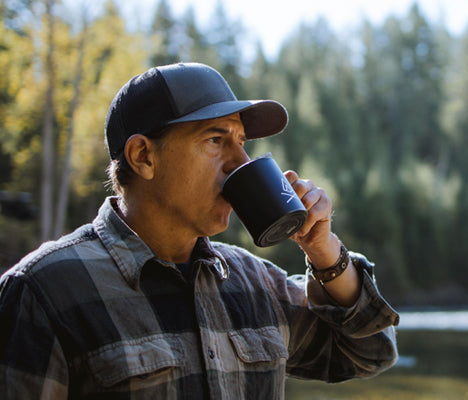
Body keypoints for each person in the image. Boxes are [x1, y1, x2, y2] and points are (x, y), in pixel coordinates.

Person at [0, 62, 399, 399]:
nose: (240, 163)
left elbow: (371, 352)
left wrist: (324, 252)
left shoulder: (254, 283)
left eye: (241, 142)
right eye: (215, 139)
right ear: (143, 156)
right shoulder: (43, 292)